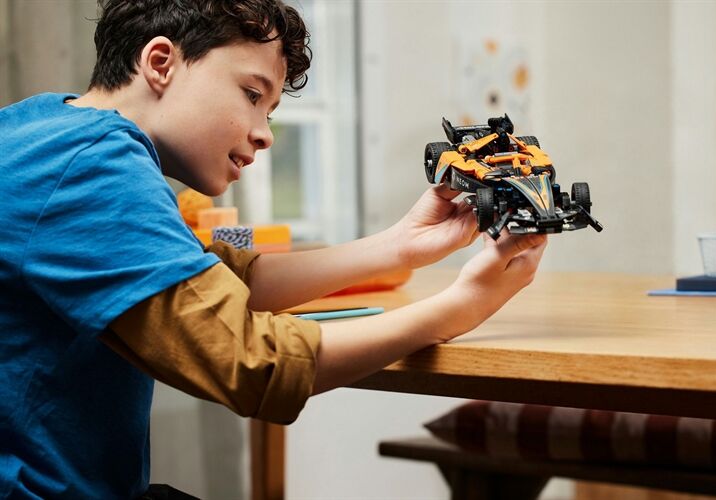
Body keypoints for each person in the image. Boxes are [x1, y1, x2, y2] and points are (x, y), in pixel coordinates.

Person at [0, 0, 547, 498]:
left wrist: (399, 246)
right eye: (251, 94)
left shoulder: (46, 127)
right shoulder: (90, 166)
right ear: (161, 62)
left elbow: (217, 279)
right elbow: (247, 360)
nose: (265, 134)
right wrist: (459, 309)